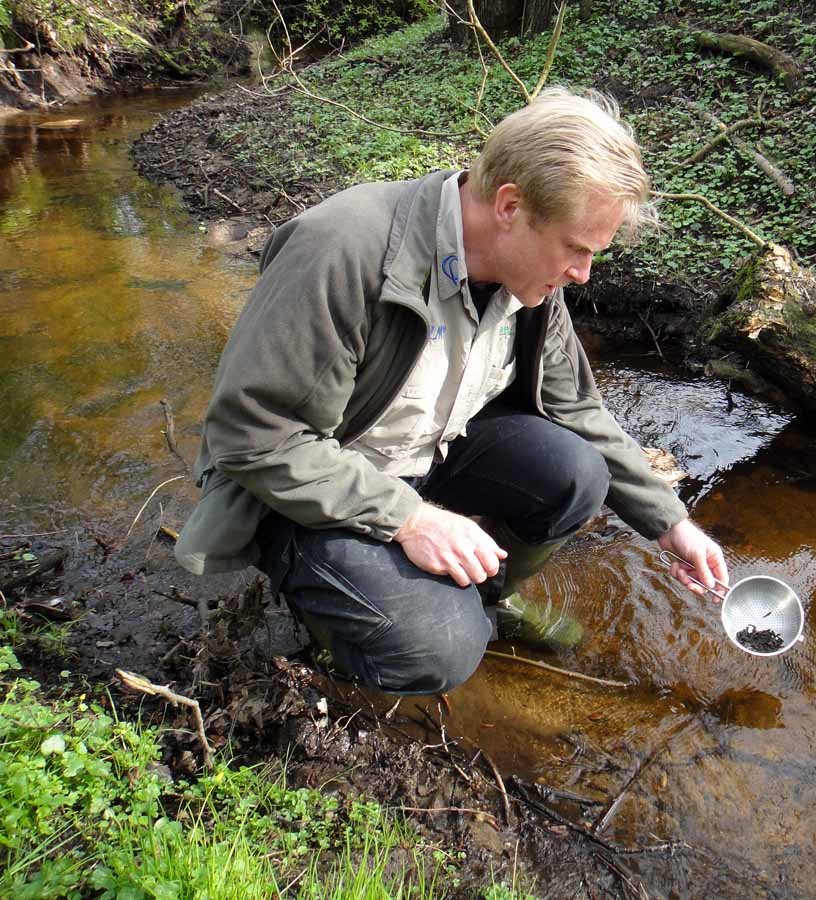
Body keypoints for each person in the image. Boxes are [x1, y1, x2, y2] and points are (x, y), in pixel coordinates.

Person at [174, 87, 728, 695]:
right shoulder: (342, 251)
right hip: (308, 488)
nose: (583, 273)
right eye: (577, 248)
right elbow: (251, 436)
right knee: (441, 651)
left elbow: (576, 406)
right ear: (511, 206)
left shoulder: (528, 277)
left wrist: (671, 523)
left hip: (430, 449)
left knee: (577, 476)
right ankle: (339, 632)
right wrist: (409, 519)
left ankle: (486, 597)